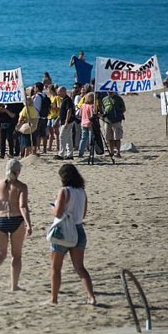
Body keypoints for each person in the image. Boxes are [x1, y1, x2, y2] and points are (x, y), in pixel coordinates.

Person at [48, 164, 96, 305]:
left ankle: (54, 298)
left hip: (63, 230)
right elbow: (83, 214)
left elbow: (58, 213)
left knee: (56, 267)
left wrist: (52, 208)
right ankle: (91, 296)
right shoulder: (82, 191)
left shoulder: (64, 191)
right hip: (79, 229)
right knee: (80, 267)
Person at [0, 159, 32, 292]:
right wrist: (28, 224)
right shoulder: (21, 186)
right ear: (18, 171)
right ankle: (14, 285)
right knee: (16, 256)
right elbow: (23, 206)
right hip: (16, 220)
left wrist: (2, 204)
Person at [101, 91, 125, 158]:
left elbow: (123, 109)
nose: (110, 93)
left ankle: (118, 152)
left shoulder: (118, 99)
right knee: (109, 138)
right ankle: (111, 152)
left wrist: (118, 113)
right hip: (107, 121)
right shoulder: (104, 99)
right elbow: (103, 109)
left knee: (117, 137)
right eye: (108, 92)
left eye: (111, 92)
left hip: (116, 121)